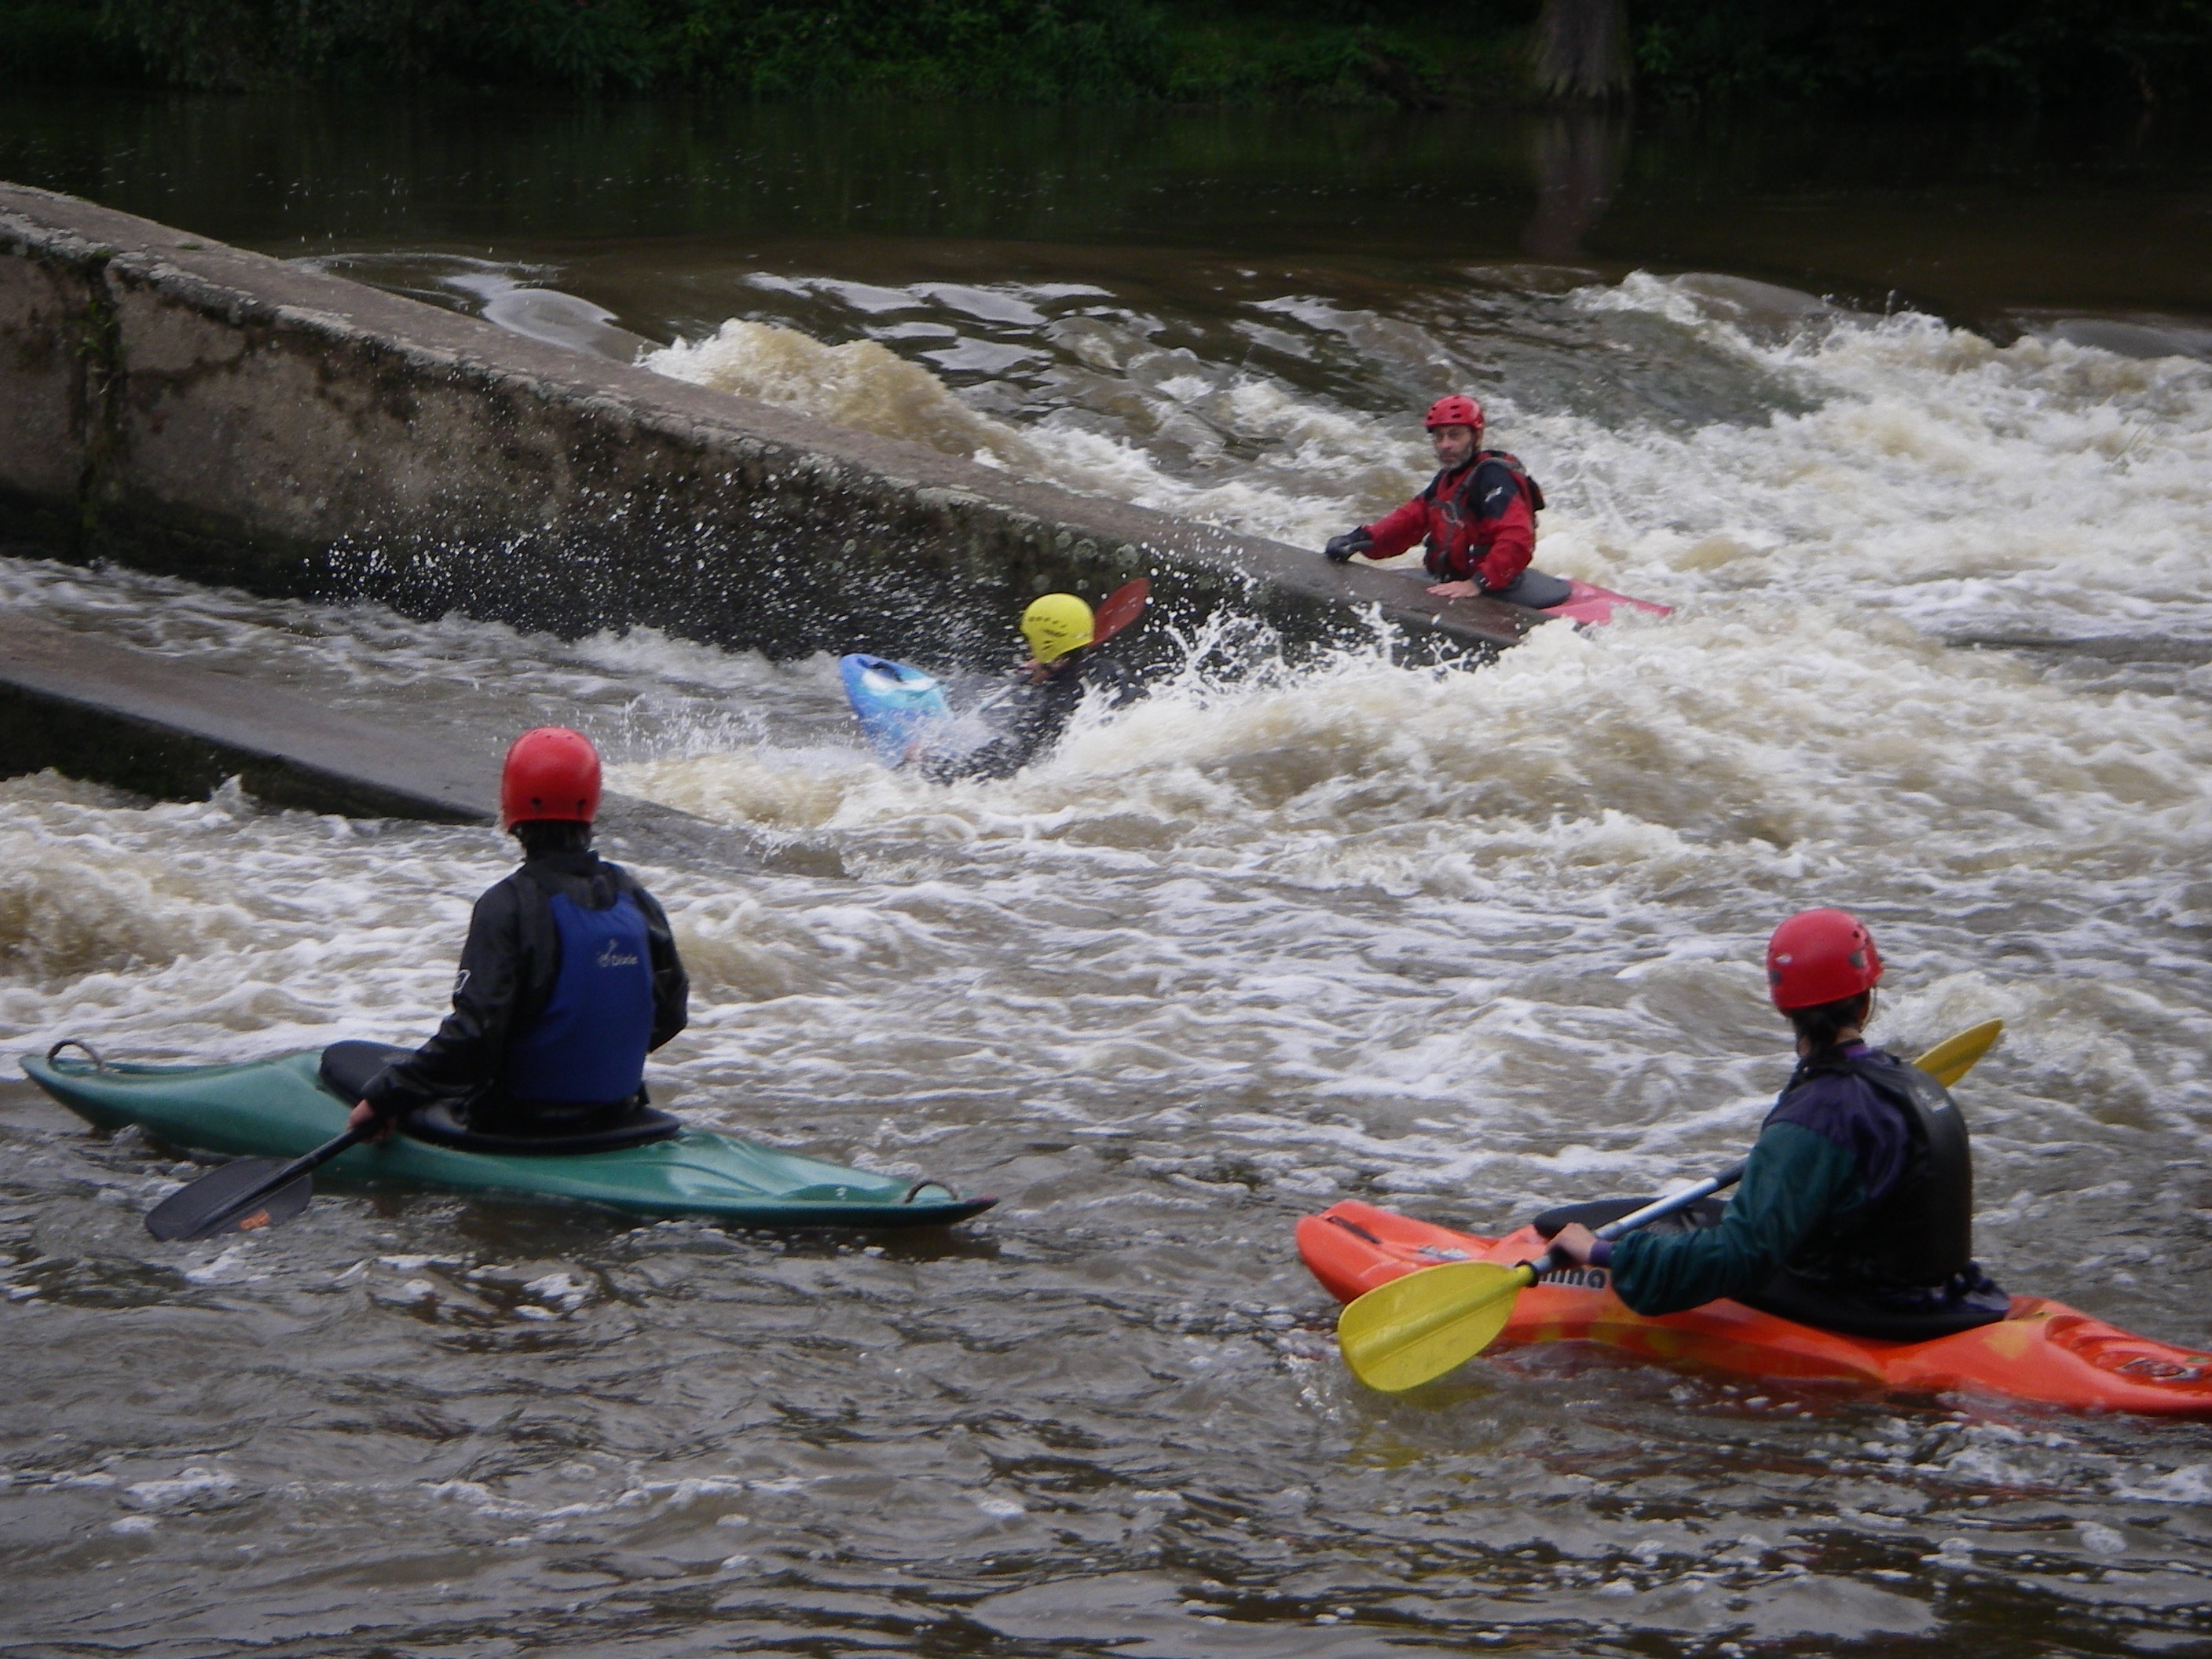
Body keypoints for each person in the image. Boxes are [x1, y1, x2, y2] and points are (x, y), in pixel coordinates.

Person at [1541, 908, 2010, 1341]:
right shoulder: (1913, 1084)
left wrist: (1600, 1254)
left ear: (1783, 1007)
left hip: (1873, 1311)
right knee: (1705, 1218)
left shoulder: (1813, 1120)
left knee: (1698, 1240)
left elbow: (1738, 1259)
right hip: (1945, 1295)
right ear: (1866, 1001)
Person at [344, 727, 688, 1141]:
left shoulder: (507, 904)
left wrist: (384, 1099)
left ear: (511, 802)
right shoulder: (635, 897)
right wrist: (592, 1055)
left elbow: (473, 1039)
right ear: (591, 802)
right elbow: (672, 1013)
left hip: (518, 1123)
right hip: (617, 1113)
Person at [1322, 394, 1570, 609]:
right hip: (1453, 579)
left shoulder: (1494, 477)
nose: (1445, 445)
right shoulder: (1448, 479)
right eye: (1439, 437)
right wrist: (1358, 540)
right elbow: (1410, 519)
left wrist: (1477, 583)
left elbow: (1517, 536)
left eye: (1454, 435)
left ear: (1477, 436)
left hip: (1494, 585)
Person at [920, 592, 1144, 782]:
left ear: (1046, 645)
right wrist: (1050, 664)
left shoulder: (1050, 707)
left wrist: (931, 765)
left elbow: (1003, 762)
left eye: (1031, 641)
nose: (1028, 646)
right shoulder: (1110, 670)